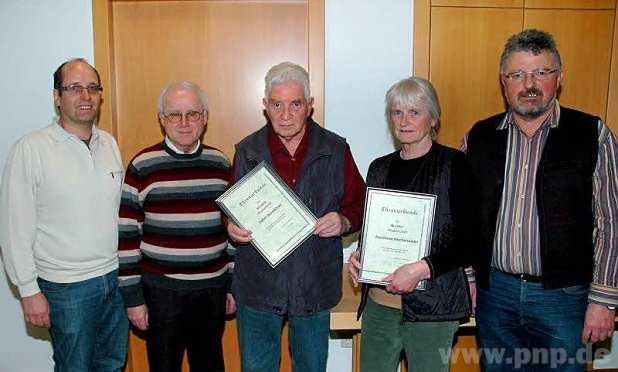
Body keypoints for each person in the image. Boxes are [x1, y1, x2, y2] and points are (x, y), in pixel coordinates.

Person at [464, 29, 618, 371]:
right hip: (495, 295)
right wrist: (469, 279)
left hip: (564, 299)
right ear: (503, 82)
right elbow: (463, 216)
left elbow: (612, 223)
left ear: (559, 78)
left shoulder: (593, 135)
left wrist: (604, 301)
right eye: (518, 74)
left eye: (541, 73)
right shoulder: (478, 138)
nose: (529, 83)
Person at [226, 61, 366, 372]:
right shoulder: (247, 150)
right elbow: (232, 210)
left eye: (295, 104)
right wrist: (232, 228)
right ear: (265, 106)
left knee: (311, 368)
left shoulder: (335, 148)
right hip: (258, 286)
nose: (286, 115)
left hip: (313, 285)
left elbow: (359, 206)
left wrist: (343, 221)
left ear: (310, 106)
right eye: (277, 104)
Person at [0, 58, 128, 371]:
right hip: (66, 289)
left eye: (92, 88)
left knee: (112, 364)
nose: (85, 96)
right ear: (57, 96)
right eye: (74, 88)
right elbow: (13, 227)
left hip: (114, 278)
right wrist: (29, 291)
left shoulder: (108, 143)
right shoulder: (31, 149)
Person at [348, 77, 477, 372]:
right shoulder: (379, 168)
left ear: (433, 118)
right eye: (397, 113)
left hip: (433, 307)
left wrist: (421, 269)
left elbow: (469, 240)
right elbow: (372, 229)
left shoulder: (455, 164)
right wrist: (360, 256)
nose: (405, 121)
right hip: (380, 306)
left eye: (414, 112)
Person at [118, 81, 235, 372]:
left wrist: (233, 287)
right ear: (161, 119)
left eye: (193, 114)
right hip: (161, 294)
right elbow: (126, 239)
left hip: (212, 291)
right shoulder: (142, 166)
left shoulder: (221, 164)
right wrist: (133, 299)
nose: (184, 122)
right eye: (174, 114)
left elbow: (234, 232)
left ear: (205, 118)